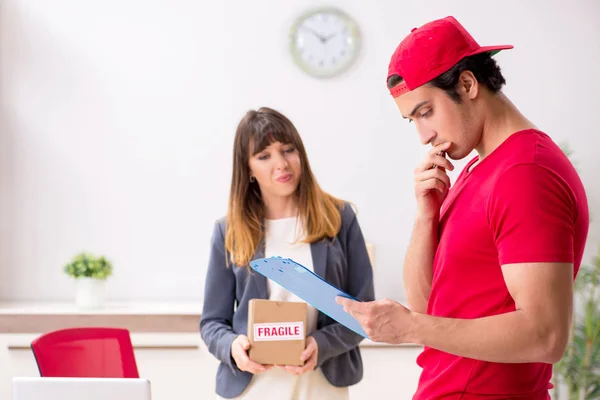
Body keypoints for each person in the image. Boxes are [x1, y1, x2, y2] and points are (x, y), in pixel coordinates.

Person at [337, 16, 589, 399]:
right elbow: (426, 306)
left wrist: (409, 328)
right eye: (412, 121)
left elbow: (545, 335)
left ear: (468, 84)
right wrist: (426, 217)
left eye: (426, 112)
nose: (425, 135)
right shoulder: (476, 169)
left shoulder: (525, 174)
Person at [200, 107, 375, 400]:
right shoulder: (228, 231)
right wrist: (233, 346)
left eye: (288, 150)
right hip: (254, 386)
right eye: (264, 156)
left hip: (321, 383)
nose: (281, 164)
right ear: (248, 169)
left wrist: (321, 344)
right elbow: (212, 323)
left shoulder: (339, 218)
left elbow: (364, 310)